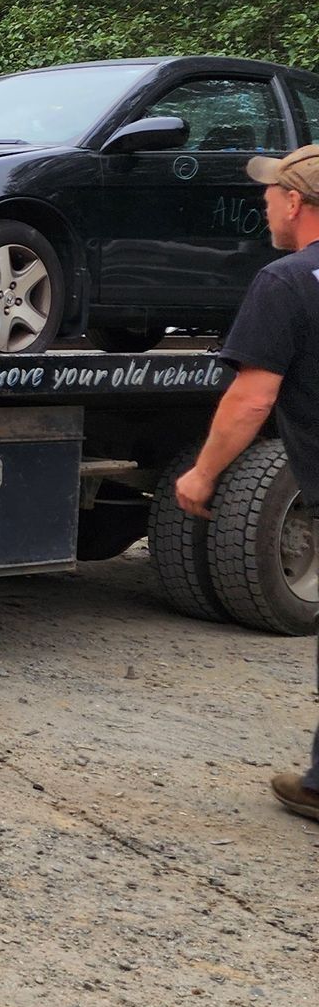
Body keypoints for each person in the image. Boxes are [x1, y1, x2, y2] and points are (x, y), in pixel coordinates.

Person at [175, 141, 319, 821]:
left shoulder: (287, 281)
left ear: (295, 202)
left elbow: (252, 398)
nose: (264, 203)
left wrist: (203, 474)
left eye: (269, 193)